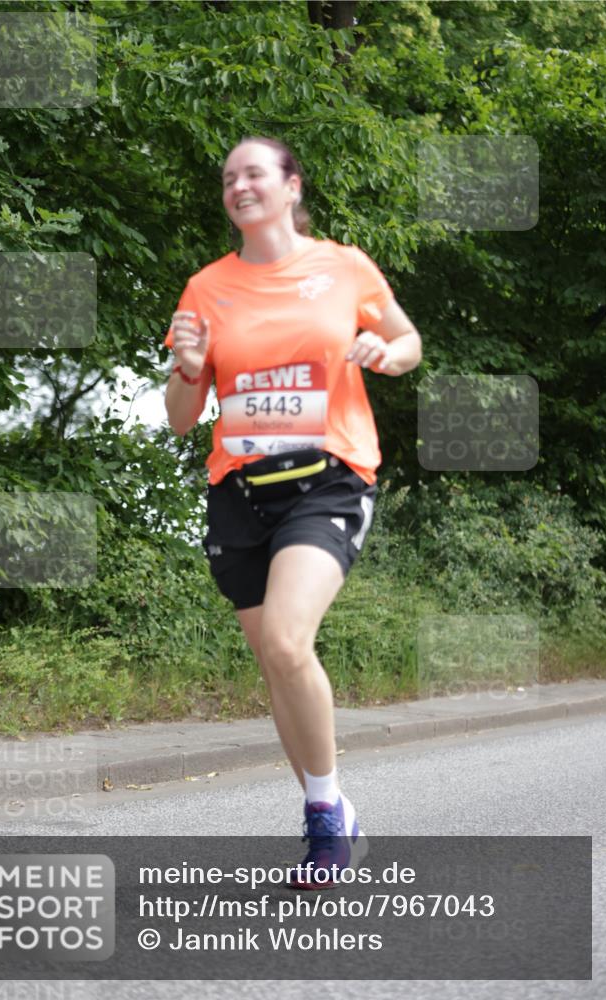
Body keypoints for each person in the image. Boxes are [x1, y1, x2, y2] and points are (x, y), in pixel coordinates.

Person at [164, 136, 422, 889]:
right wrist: (186, 367)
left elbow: (406, 340)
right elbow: (182, 415)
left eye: (252, 173)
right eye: (227, 178)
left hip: (328, 479)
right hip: (240, 494)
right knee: (277, 666)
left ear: (289, 186)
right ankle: (334, 806)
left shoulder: (342, 266)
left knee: (285, 639)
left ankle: (321, 823)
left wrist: (383, 351)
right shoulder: (205, 287)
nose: (237, 185)